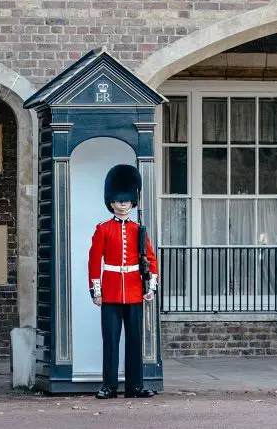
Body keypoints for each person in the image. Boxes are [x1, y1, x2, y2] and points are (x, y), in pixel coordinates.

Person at [88, 164, 158, 399]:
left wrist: (151, 287)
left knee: (134, 341)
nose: (123, 203)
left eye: (127, 199)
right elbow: (94, 262)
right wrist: (96, 291)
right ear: (111, 202)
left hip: (134, 291)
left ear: (132, 201)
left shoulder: (139, 230)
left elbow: (150, 259)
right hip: (110, 292)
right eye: (119, 200)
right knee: (111, 342)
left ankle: (134, 386)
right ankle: (109, 386)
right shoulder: (103, 230)